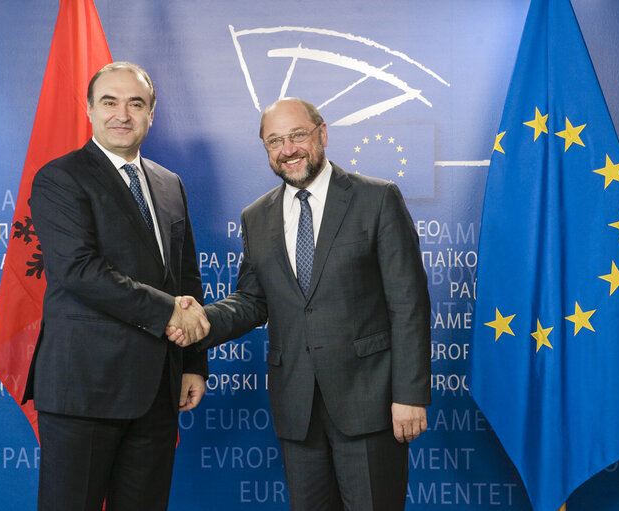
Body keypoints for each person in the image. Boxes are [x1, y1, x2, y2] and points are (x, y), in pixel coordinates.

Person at [171, 97, 431, 510]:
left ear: (322, 134)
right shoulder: (256, 216)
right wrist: (201, 320)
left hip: (371, 403)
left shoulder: (376, 199)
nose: (287, 149)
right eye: (275, 141)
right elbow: (252, 301)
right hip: (297, 409)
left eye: (297, 136)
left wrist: (410, 395)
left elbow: (409, 305)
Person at [22, 61, 210, 511]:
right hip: (84, 391)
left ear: (151, 114)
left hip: (157, 394)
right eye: (109, 102)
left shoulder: (169, 184)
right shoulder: (59, 179)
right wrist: (169, 312)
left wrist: (192, 363)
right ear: (89, 109)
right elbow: (79, 270)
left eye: (135, 103)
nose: (122, 114)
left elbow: (185, 279)